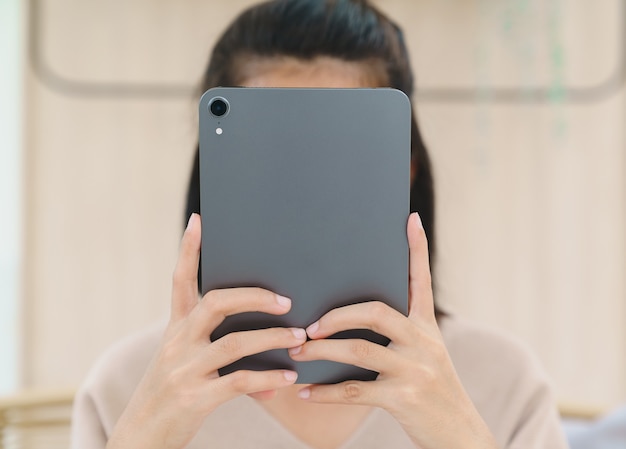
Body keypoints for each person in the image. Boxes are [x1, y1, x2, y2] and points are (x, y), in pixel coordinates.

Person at [71, 1, 568, 448]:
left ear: (406, 164)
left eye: (339, 151)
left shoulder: (502, 383)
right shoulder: (127, 387)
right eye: (273, 149)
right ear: (214, 166)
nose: (302, 186)